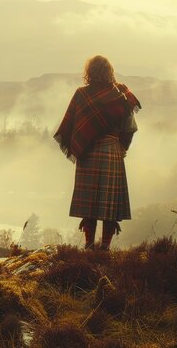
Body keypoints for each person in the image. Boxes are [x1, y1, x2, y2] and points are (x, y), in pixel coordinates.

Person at [54, 55, 141, 250]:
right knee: (109, 203)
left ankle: (88, 245)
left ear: (89, 73)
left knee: (90, 202)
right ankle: (105, 248)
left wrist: (79, 145)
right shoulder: (121, 94)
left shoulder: (81, 94)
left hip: (87, 152)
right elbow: (130, 127)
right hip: (112, 151)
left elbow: (72, 126)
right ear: (110, 71)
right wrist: (123, 148)